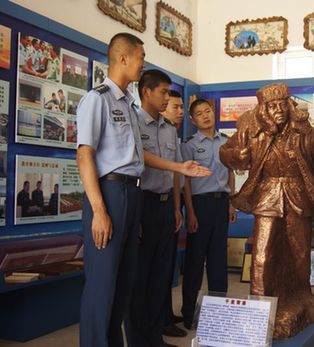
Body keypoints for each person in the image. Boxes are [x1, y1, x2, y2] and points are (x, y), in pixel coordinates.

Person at [76, 32, 210, 347]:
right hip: (109, 194)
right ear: (123, 58)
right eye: (140, 56)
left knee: (123, 286)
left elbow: (139, 157)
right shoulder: (97, 99)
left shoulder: (127, 105)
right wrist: (98, 210)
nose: (143, 63)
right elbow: (85, 154)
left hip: (131, 195)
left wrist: (178, 167)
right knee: (102, 286)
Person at [219, 83, 314, 339]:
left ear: (289, 105)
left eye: (282, 104)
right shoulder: (251, 127)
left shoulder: (305, 131)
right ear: (264, 108)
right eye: (271, 106)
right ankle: (260, 304)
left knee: (299, 251)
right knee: (262, 253)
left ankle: (302, 294)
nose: (278, 111)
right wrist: (236, 157)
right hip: (267, 194)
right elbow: (225, 152)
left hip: (298, 194)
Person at [124, 69, 185, 347]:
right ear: (146, 91)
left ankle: (154, 339)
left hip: (164, 208)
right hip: (143, 205)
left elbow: (174, 175)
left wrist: (176, 208)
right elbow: (131, 168)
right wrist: (134, 214)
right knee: (140, 278)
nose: (166, 98)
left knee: (161, 278)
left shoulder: (169, 129)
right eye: (163, 92)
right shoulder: (133, 122)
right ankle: (138, 341)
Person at [180, 99, 236, 330]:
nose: (205, 116)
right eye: (199, 114)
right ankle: (188, 313)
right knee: (195, 261)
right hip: (199, 205)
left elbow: (231, 173)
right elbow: (185, 182)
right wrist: (190, 213)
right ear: (192, 120)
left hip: (221, 204)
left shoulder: (226, 142)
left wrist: (232, 203)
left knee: (218, 262)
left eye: (208, 111)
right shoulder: (189, 145)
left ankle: (218, 312)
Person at [160, 89, 187, 337]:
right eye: (175, 107)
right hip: (153, 203)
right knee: (157, 268)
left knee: (168, 264)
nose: (180, 112)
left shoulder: (173, 133)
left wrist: (177, 207)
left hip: (170, 202)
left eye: (181, 107)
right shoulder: (152, 129)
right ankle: (160, 320)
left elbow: (176, 174)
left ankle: (167, 314)